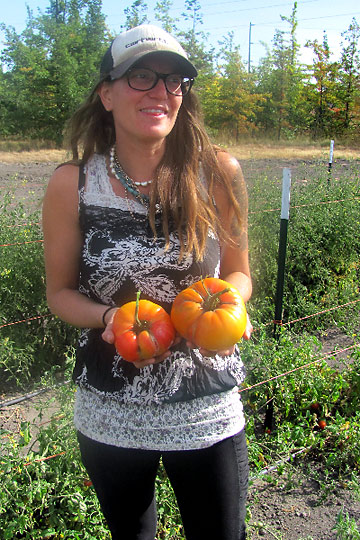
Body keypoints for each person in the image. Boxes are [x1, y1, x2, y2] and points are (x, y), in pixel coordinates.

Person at [42, 24, 253, 540]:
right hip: (111, 413)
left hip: (207, 411)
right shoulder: (73, 184)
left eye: (175, 79)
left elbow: (238, 273)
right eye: (141, 76)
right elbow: (60, 294)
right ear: (106, 94)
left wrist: (231, 306)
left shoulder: (220, 174)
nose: (161, 91)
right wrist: (109, 317)